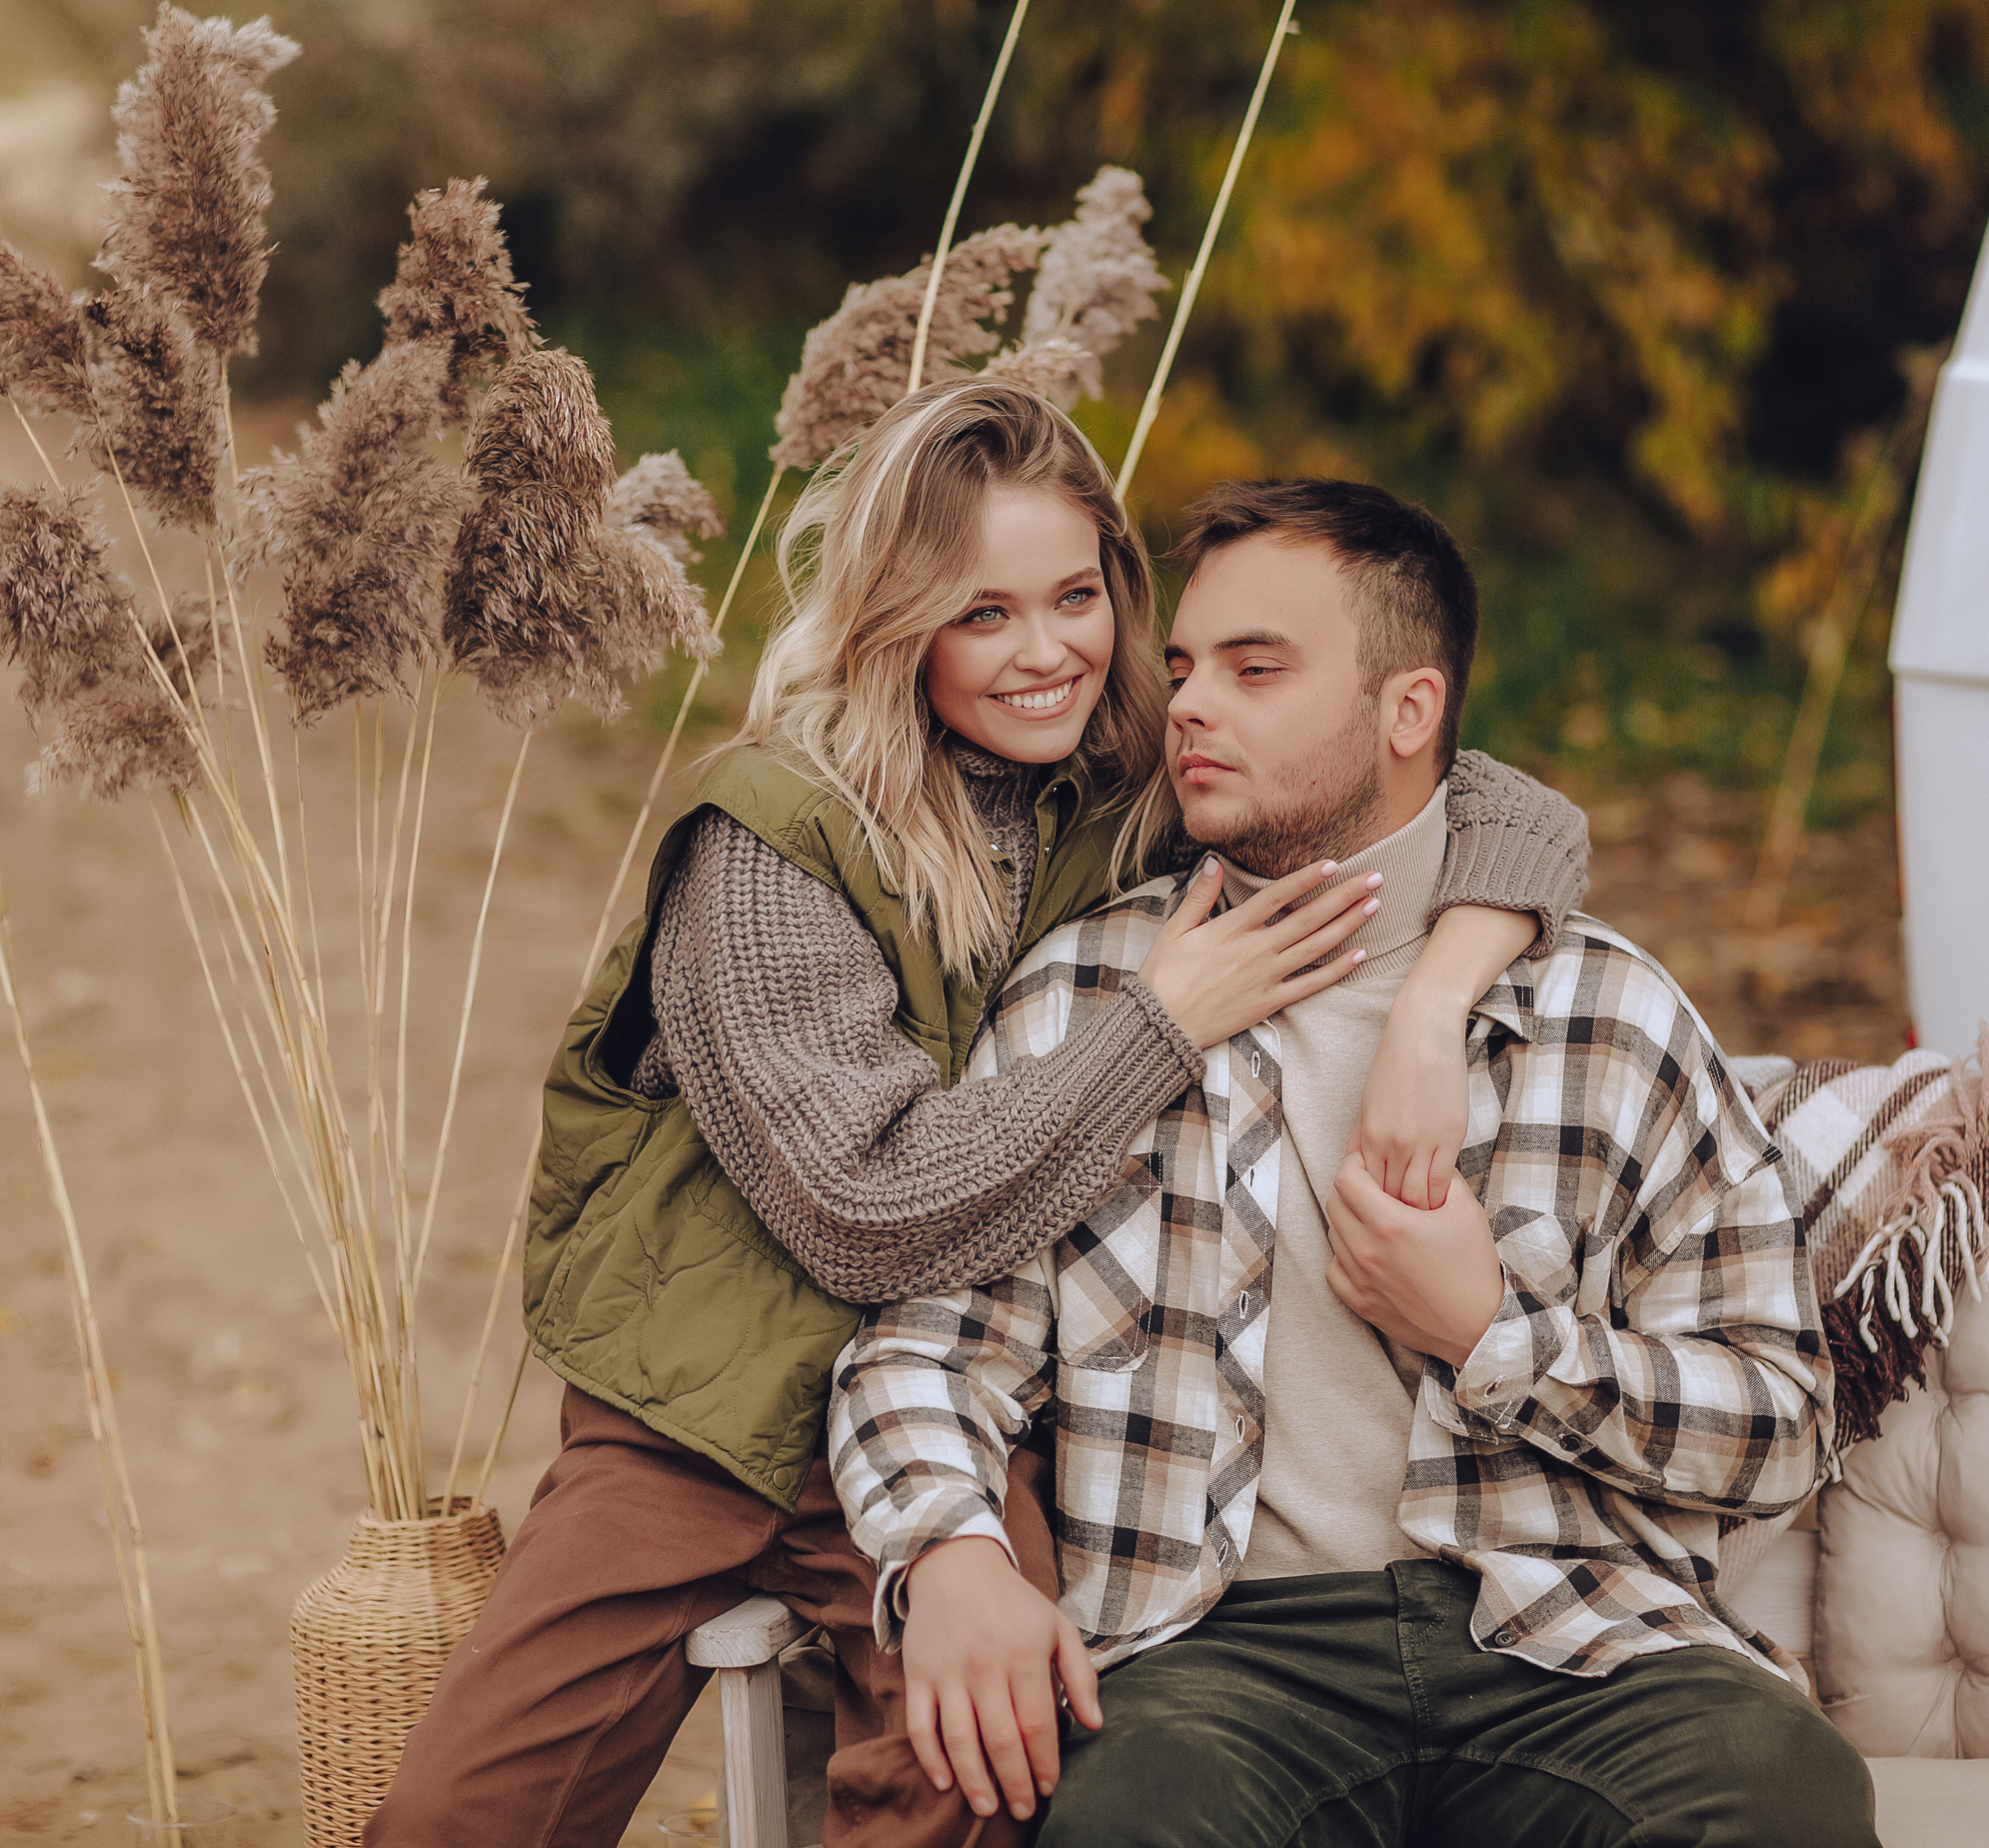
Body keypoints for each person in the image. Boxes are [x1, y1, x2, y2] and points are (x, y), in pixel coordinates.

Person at [369, 384, 1593, 1848]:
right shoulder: (773, 835)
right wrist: (1163, 1022)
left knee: (983, 1753)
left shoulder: (1129, 778)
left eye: (1076, 595)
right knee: (472, 1810)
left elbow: (1492, 800)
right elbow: (863, 1210)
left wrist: (1435, 998)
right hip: (703, 1399)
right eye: (984, 612)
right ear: (904, 624)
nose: (1046, 650)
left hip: (954, 1394)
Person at [832, 478, 1873, 1848]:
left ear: (1409, 711)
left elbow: (1779, 1421)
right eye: (1188, 665)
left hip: (1562, 1632)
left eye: (1256, 669)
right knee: (1124, 1831)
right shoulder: (1091, 998)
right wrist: (947, 1547)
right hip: (1218, 1654)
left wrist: (1494, 1333)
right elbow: (926, 1343)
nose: (1188, 704)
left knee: (1780, 1795)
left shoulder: (1607, 1016)